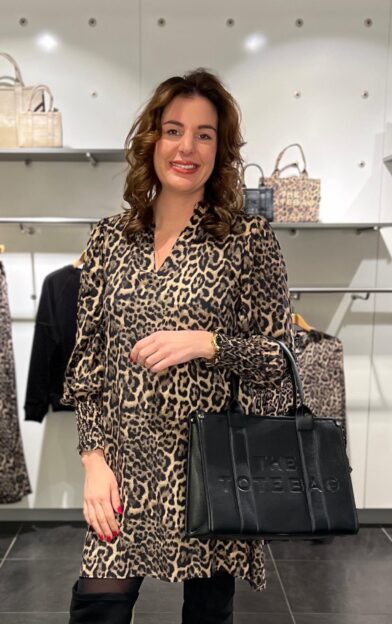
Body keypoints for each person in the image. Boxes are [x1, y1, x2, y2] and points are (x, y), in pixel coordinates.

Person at [62, 67, 295, 624]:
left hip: (209, 468)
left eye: (204, 134)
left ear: (221, 149)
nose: (187, 147)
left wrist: (208, 343)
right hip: (123, 467)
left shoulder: (247, 240)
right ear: (152, 140)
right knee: (98, 605)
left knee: (208, 613)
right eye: (174, 130)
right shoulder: (110, 238)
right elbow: (87, 365)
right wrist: (94, 461)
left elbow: (278, 361)